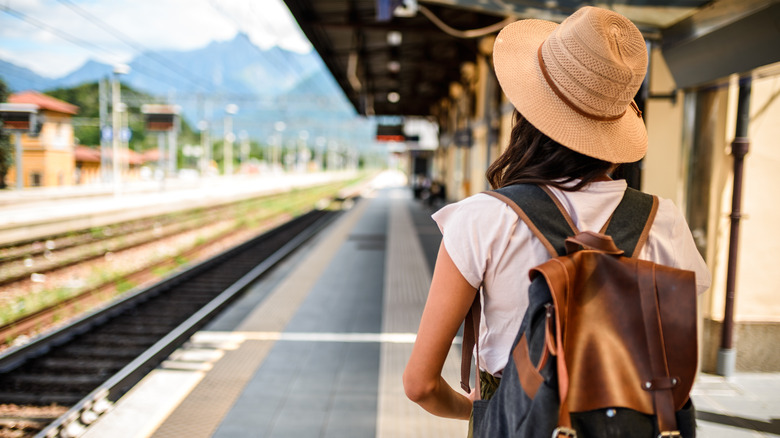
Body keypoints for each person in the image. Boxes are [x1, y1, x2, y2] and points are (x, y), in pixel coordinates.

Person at [402, 4, 712, 429]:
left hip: (515, 419)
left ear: (528, 117)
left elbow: (420, 384)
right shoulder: (664, 221)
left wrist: (477, 410)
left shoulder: (483, 219)